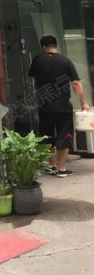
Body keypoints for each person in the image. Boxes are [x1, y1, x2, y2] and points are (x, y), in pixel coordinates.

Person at [28, 34, 91, 177]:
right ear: (55, 46)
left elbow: (32, 74)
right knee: (64, 135)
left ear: (43, 47)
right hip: (63, 106)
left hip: (44, 105)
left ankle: (51, 166)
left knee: (46, 136)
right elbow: (76, 83)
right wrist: (83, 102)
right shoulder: (65, 61)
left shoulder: (37, 60)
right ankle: (62, 169)